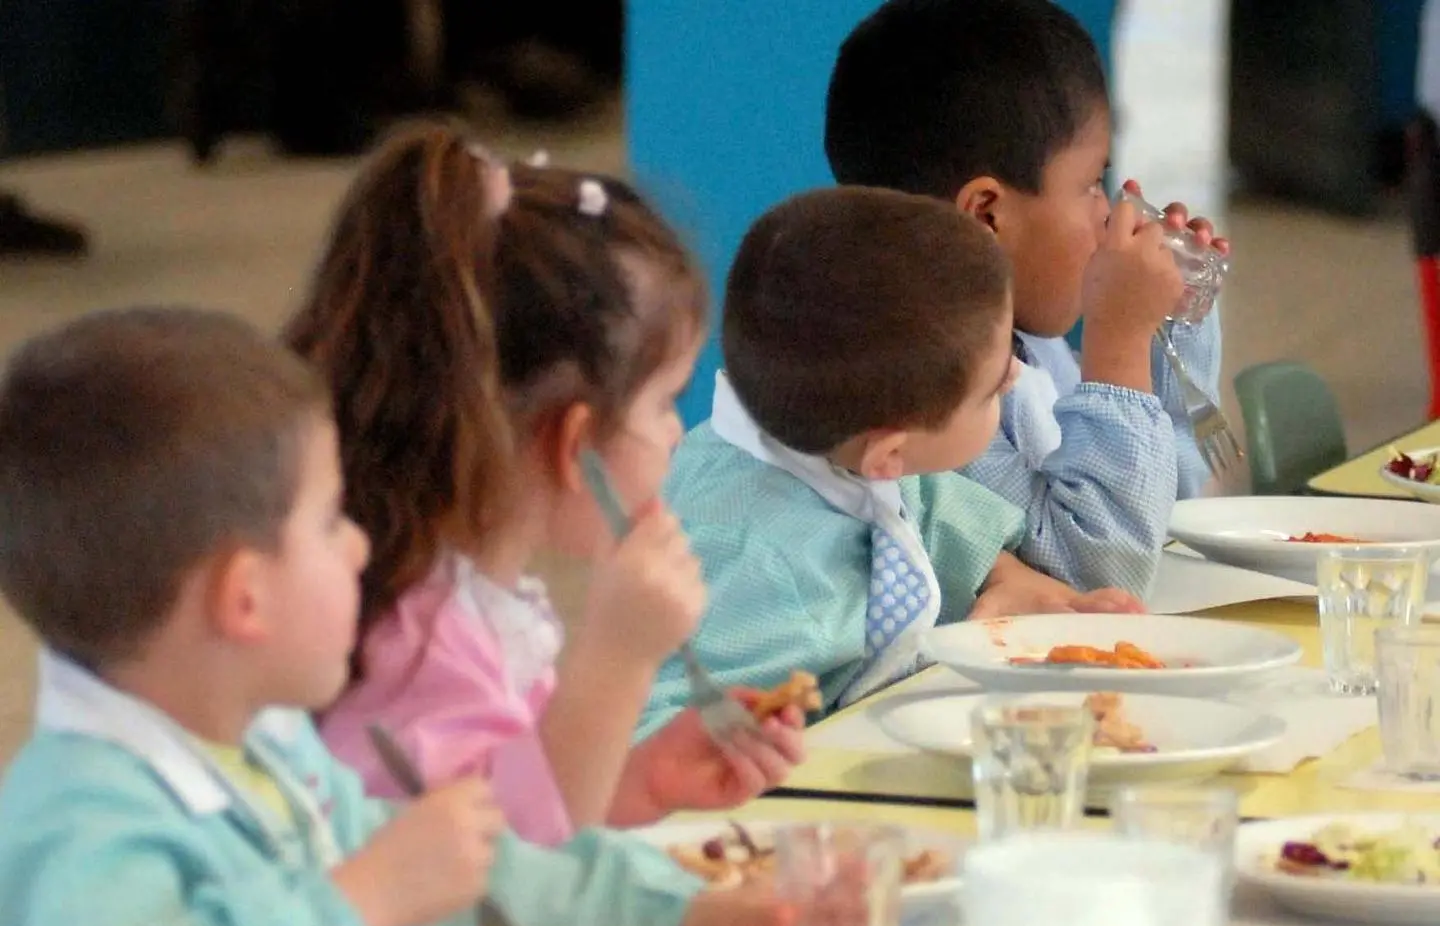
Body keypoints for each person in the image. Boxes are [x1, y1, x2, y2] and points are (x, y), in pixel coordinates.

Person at [0, 309, 786, 926]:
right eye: (329, 520)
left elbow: (482, 867)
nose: (358, 545)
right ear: (243, 598)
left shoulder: (265, 744)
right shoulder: (74, 824)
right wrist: (364, 896)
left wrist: (685, 915)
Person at [288, 123, 804, 848]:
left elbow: (514, 788)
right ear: (572, 441)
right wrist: (619, 658)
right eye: (663, 403)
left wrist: (637, 780)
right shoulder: (415, 644)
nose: (674, 435)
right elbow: (503, 872)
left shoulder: (464, 600)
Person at [637, 187, 1142, 736]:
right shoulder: (769, 577)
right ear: (890, 453)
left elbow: (930, 511)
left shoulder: (824, 443)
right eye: (995, 388)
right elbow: (650, 731)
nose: (1017, 378)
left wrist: (1012, 579)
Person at [824, 0, 1231, 597]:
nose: (1110, 212)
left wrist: (1168, 320)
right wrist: (1117, 347)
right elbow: (1100, 575)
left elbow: (1160, 513)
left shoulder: (1029, 350)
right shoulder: (922, 402)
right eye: (1092, 184)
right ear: (987, 215)